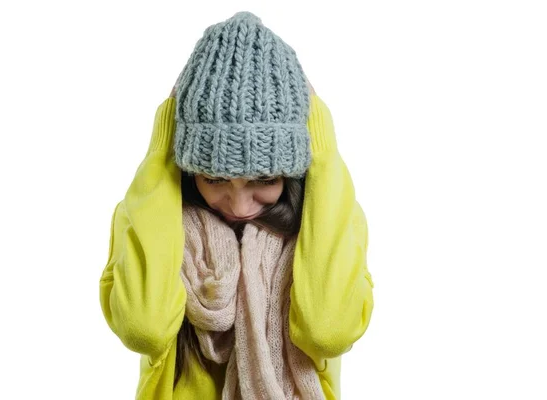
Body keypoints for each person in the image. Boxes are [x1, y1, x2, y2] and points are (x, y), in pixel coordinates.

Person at [99, 11, 374, 399]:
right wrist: (162, 150)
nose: (240, 205)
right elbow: (144, 327)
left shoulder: (330, 220)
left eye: (263, 181)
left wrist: (324, 154)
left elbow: (327, 332)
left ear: (293, 173)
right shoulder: (148, 214)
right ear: (187, 168)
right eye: (214, 179)